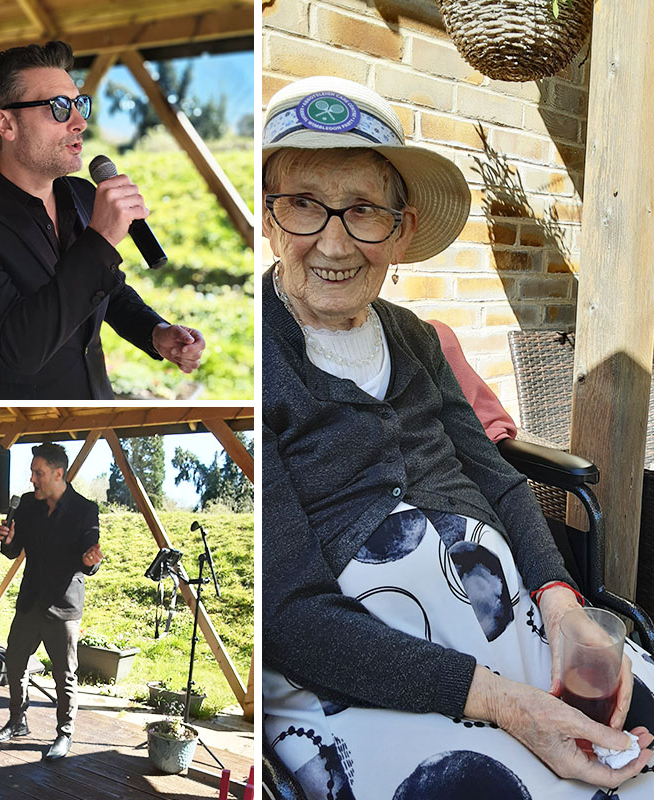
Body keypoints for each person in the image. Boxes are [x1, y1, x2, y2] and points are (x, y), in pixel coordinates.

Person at [262, 75, 654, 798]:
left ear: (402, 230)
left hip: (504, 619)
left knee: (641, 730)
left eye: (364, 211)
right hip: (353, 664)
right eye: (304, 206)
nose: (334, 242)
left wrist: (562, 604)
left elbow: (498, 477)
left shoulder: (414, 338)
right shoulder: (255, 354)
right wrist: (505, 704)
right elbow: (287, 615)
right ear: (268, 218)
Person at [0, 40, 206, 400]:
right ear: (5, 123)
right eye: (58, 108)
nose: (79, 122)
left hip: (96, 401)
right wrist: (99, 239)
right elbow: (20, 348)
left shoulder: (84, 195)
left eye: (78, 103)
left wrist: (154, 331)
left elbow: (106, 289)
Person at [0, 442, 103, 760]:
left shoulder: (85, 509)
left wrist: (92, 560)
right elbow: (14, 549)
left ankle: (64, 735)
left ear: (58, 473)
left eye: (38, 473)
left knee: (64, 676)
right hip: (29, 602)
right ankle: (17, 720)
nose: (32, 479)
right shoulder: (26, 504)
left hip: (63, 607)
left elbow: (88, 556)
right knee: (14, 663)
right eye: (32, 472)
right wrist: (9, 541)